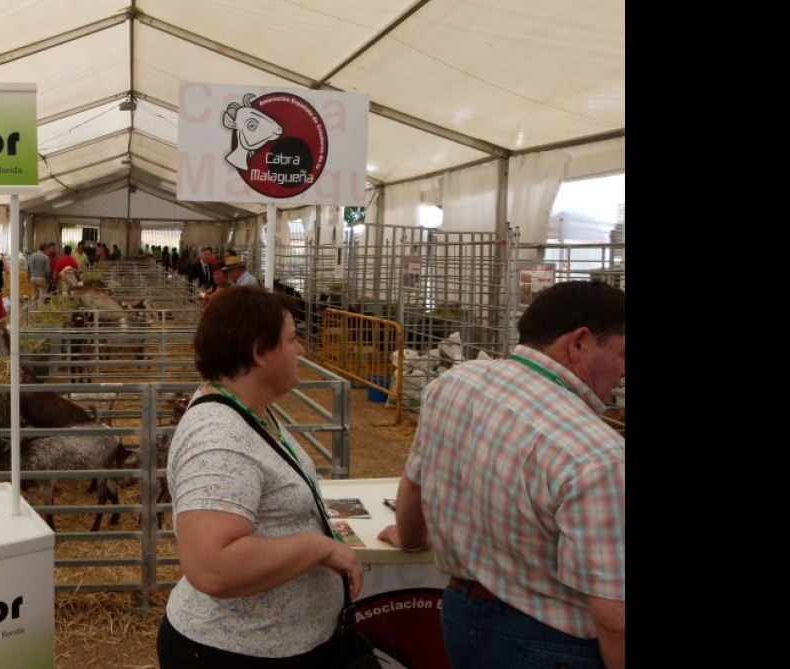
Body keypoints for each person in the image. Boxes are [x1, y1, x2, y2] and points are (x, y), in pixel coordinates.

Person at [377, 280, 625, 669]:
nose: (623, 371)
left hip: (462, 615)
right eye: (622, 353)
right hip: (554, 642)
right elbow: (616, 616)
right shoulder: (596, 453)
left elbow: (415, 483)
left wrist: (409, 539)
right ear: (579, 343)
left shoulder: (455, 383)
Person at [157, 285, 364, 667]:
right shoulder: (219, 437)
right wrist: (319, 547)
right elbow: (211, 566)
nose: (301, 350)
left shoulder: (251, 411)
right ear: (259, 351)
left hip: (274, 642)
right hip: (237, 650)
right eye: (291, 340)